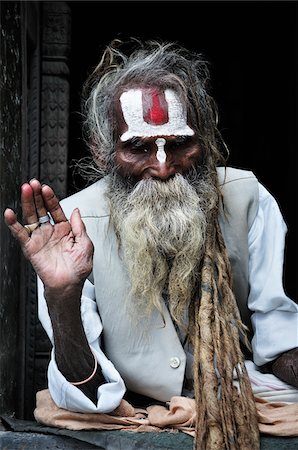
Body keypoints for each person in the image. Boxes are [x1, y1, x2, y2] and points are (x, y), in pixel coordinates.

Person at [4, 39, 298, 450]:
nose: (162, 167)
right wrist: (62, 295)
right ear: (102, 151)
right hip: (129, 411)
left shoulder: (247, 198)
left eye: (179, 144)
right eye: (138, 148)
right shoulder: (69, 225)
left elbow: (280, 339)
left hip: (240, 396)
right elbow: (85, 392)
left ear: (205, 141)